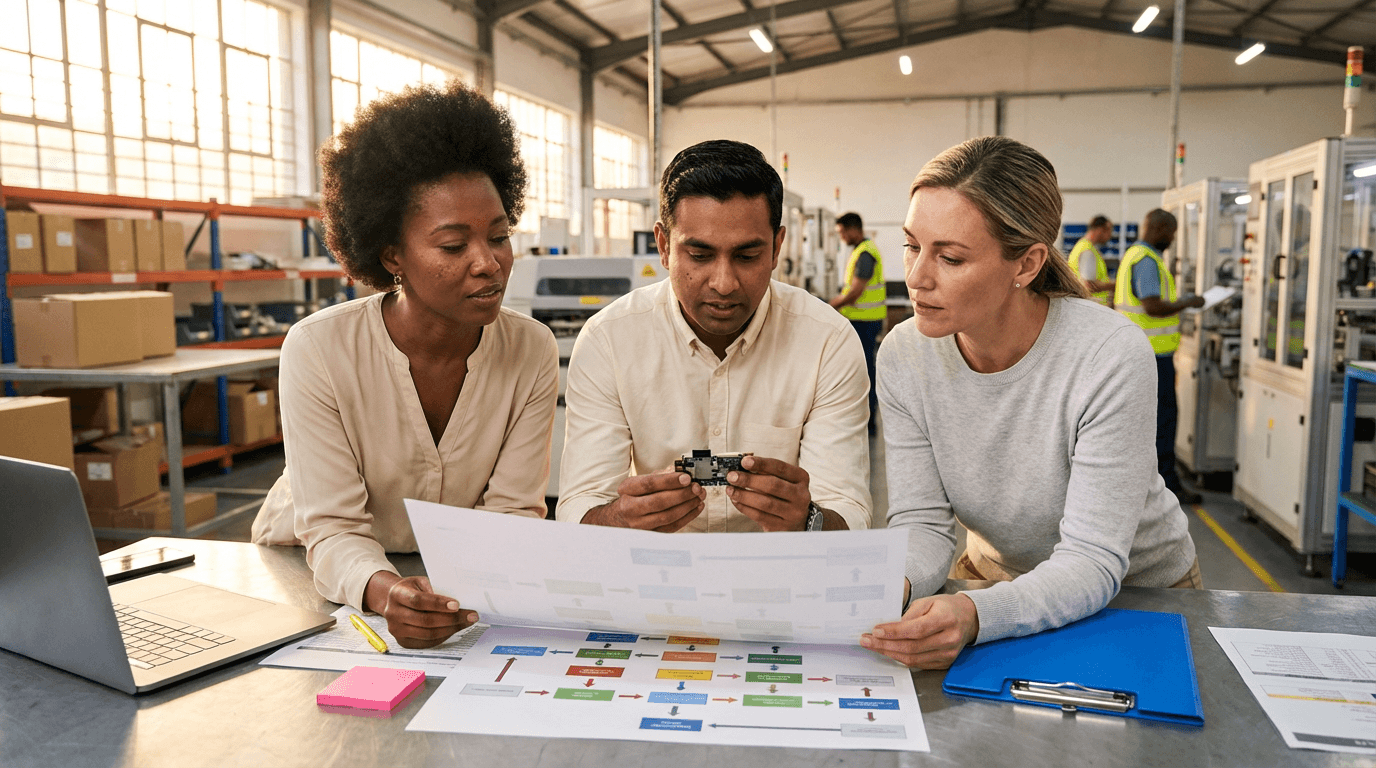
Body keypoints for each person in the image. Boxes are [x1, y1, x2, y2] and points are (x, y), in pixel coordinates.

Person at [860, 136, 1199, 670]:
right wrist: (890, 588)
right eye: (911, 245)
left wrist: (973, 614)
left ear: (1027, 264)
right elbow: (923, 522)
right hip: (996, 586)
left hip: (1137, 593)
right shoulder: (904, 354)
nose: (917, 277)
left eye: (948, 257)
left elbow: (1091, 559)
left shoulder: (1107, 354)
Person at [250, 82, 559, 648]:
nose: (488, 264)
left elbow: (512, 513)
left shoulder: (530, 349)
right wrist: (388, 592)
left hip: (451, 586)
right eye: (452, 246)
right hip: (311, 577)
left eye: (499, 236)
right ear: (392, 255)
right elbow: (334, 527)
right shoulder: (319, 349)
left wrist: (454, 595)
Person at [555, 139, 871, 534]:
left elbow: (850, 515)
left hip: (783, 573)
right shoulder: (609, 341)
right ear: (664, 245)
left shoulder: (827, 342)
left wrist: (809, 521)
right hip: (656, 574)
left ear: (777, 248)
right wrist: (619, 518)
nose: (723, 284)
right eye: (700, 256)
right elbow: (579, 507)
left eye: (747, 256)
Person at [1115, 209, 1206, 505]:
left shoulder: (1134, 255)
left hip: (1141, 353)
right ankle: (1166, 488)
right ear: (1161, 228)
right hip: (1152, 356)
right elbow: (1153, 307)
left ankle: (1147, 486)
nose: (1172, 239)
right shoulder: (1146, 260)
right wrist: (1187, 302)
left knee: (1147, 422)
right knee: (1164, 421)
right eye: (1172, 233)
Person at [829, 212, 885, 434]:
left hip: (865, 321)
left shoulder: (865, 254)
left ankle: (868, 420)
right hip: (860, 320)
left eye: (843, 232)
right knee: (861, 369)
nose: (842, 237)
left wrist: (830, 305)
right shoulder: (860, 251)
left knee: (864, 371)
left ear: (854, 229)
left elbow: (855, 292)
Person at [1067, 215, 1115, 306]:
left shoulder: (1082, 246)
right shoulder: (1087, 251)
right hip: (1092, 307)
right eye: (1109, 231)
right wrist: (1115, 285)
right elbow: (1089, 286)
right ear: (1100, 229)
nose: (1110, 235)